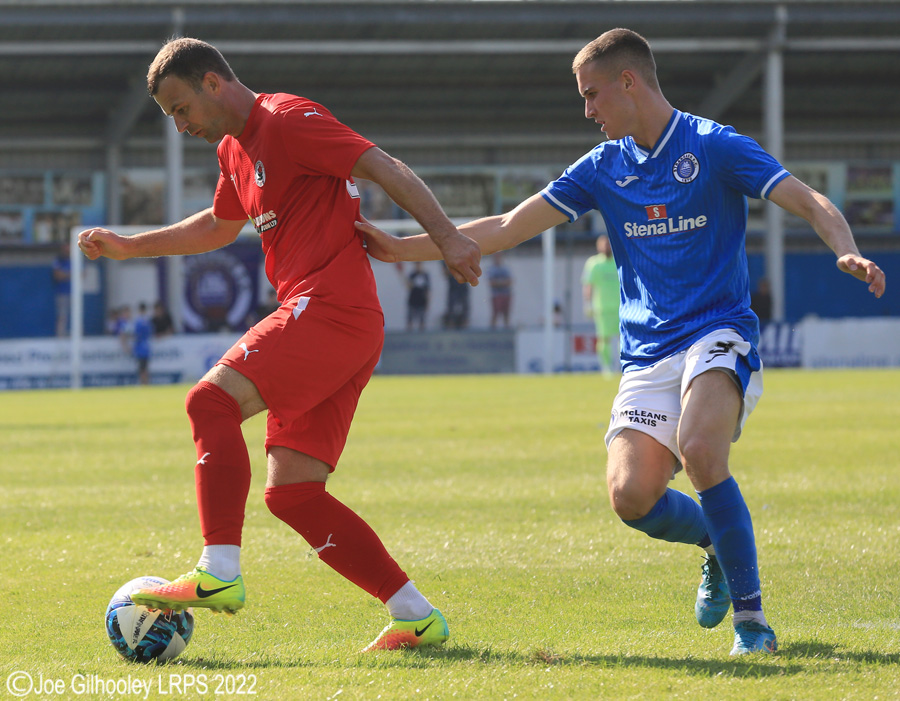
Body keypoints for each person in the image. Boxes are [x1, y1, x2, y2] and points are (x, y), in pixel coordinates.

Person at [357, 27, 885, 656]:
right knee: (631, 496)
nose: (587, 110)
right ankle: (712, 540)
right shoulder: (602, 167)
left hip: (718, 331)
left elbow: (806, 198)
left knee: (699, 449)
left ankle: (753, 624)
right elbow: (505, 225)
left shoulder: (713, 146)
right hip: (647, 353)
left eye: (592, 95)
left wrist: (846, 249)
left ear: (628, 82)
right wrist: (409, 247)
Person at [77, 37, 481, 652]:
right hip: (334, 320)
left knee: (209, 404)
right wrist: (132, 246)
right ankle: (415, 615)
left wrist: (449, 237)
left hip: (331, 310)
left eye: (181, 109)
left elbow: (382, 165)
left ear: (213, 82)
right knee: (292, 493)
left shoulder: (287, 120)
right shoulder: (234, 151)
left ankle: (219, 571)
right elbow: (218, 225)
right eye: (172, 117)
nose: (181, 126)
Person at [582, 235, 619, 373]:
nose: (607, 247)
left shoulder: (618, 260)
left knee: (624, 340)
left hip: (621, 307)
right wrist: (587, 303)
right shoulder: (594, 263)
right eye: (604, 245)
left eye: (609, 244)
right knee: (604, 339)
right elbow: (588, 284)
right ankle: (606, 367)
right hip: (602, 308)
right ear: (599, 247)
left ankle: (623, 367)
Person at [487, 252, 513, 329]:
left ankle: (507, 329)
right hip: (496, 295)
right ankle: (492, 330)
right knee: (495, 313)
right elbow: (491, 283)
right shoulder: (491, 269)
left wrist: (498, 283)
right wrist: (502, 282)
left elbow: (510, 281)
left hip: (506, 294)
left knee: (506, 313)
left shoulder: (506, 268)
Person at [52, 243, 72, 337]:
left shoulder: (75, 260)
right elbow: (57, 275)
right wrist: (71, 274)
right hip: (62, 292)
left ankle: (74, 334)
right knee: (62, 315)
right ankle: (61, 335)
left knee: (75, 314)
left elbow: (82, 274)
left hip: (75, 293)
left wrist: (65, 274)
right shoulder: (59, 260)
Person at [404, 261, 430, 331]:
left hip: (422, 301)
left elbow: (428, 290)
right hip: (413, 300)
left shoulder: (425, 275)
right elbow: (408, 287)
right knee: (410, 319)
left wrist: (428, 302)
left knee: (422, 320)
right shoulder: (412, 275)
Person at [133, 302, 153, 385]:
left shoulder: (138, 321)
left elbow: (136, 334)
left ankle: (143, 383)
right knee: (145, 367)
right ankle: (146, 383)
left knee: (141, 368)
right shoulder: (148, 321)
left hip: (140, 347)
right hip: (147, 347)